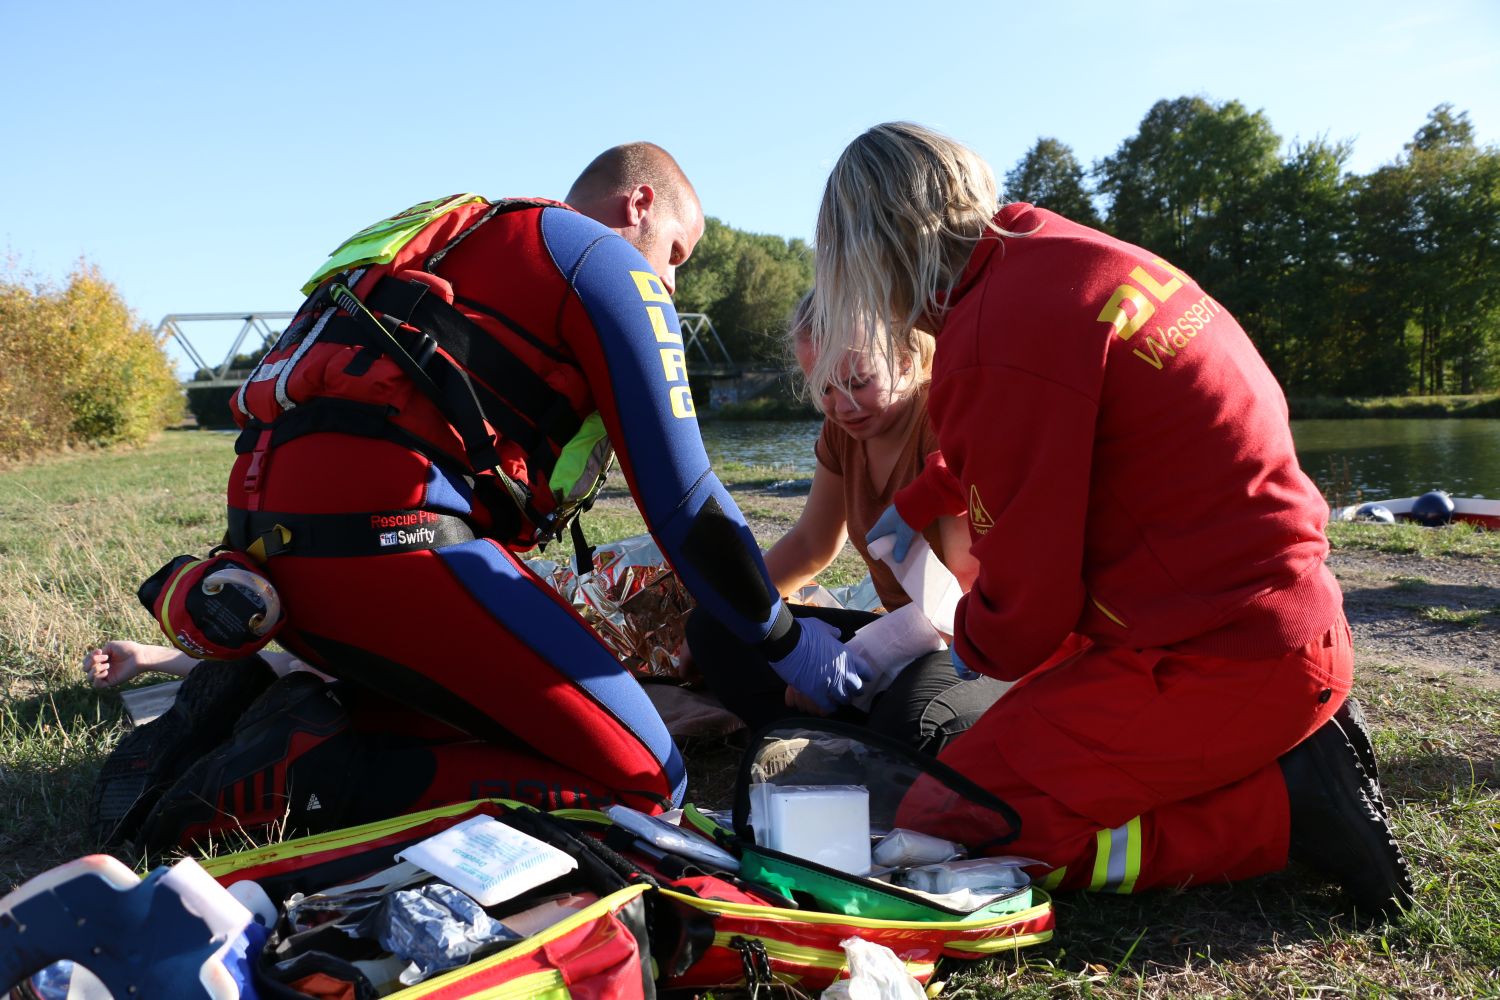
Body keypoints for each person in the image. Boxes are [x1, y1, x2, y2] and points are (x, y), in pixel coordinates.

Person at [96, 143, 870, 855]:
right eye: (677, 252)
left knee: (506, 718)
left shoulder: (459, 238)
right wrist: (782, 641)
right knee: (644, 788)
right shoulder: (605, 262)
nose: (672, 281)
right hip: (394, 550)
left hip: (273, 559)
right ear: (638, 204)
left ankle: (275, 717)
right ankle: (316, 778)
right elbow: (685, 504)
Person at [811, 122, 1410, 914]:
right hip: (1269, 623)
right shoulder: (1048, 253)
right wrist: (921, 503)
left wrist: (947, 642)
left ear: (873, 256)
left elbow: (1024, 620)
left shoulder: (992, 337)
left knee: (951, 819)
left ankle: (1288, 808)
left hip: (1222, 659)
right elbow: (1045, 427)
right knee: (1009, 750)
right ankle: (1257, 759)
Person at [686, 292, 1000, 753]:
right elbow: (812, 544)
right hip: (897, 638)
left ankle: (844, 732)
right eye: (825, 388)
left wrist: (856, 657)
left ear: (908, 362)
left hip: (965, 647)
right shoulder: (842, 432)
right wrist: (734, 610)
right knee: (714, 630)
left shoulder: (941, 420)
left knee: (916, 724)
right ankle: (841, 738)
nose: (842, 405)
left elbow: (958, 596)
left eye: (858, 381)